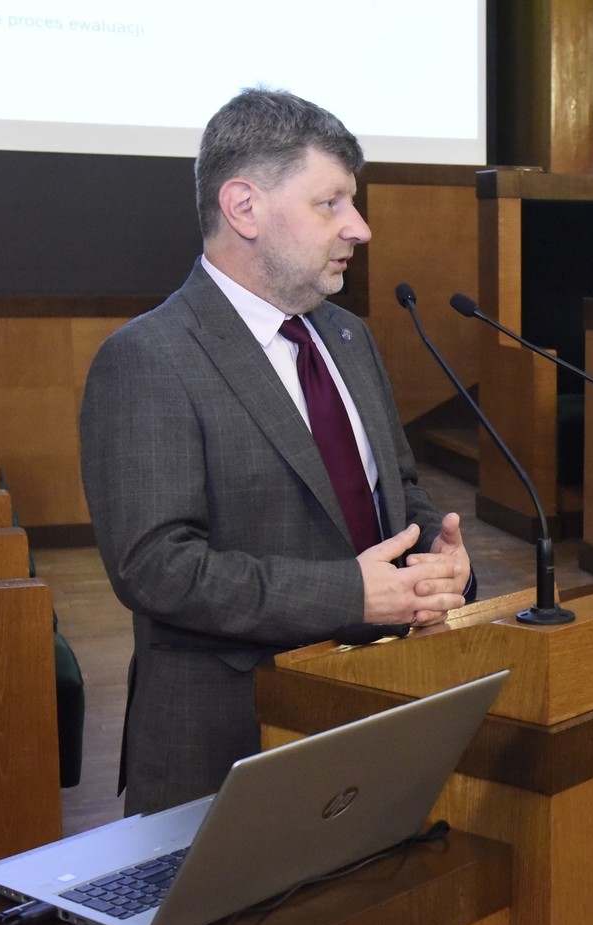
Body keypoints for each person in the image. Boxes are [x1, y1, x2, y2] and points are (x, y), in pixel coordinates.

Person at [80, 88, 472, 815]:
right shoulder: (149, 358)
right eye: (330, 203)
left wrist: (438, 560)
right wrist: (350, 595)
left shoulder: (350, 338)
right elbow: (156, 568)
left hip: (382, 705)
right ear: (244, 207)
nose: (359, 227)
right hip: (231, 739)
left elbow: (399, 490)